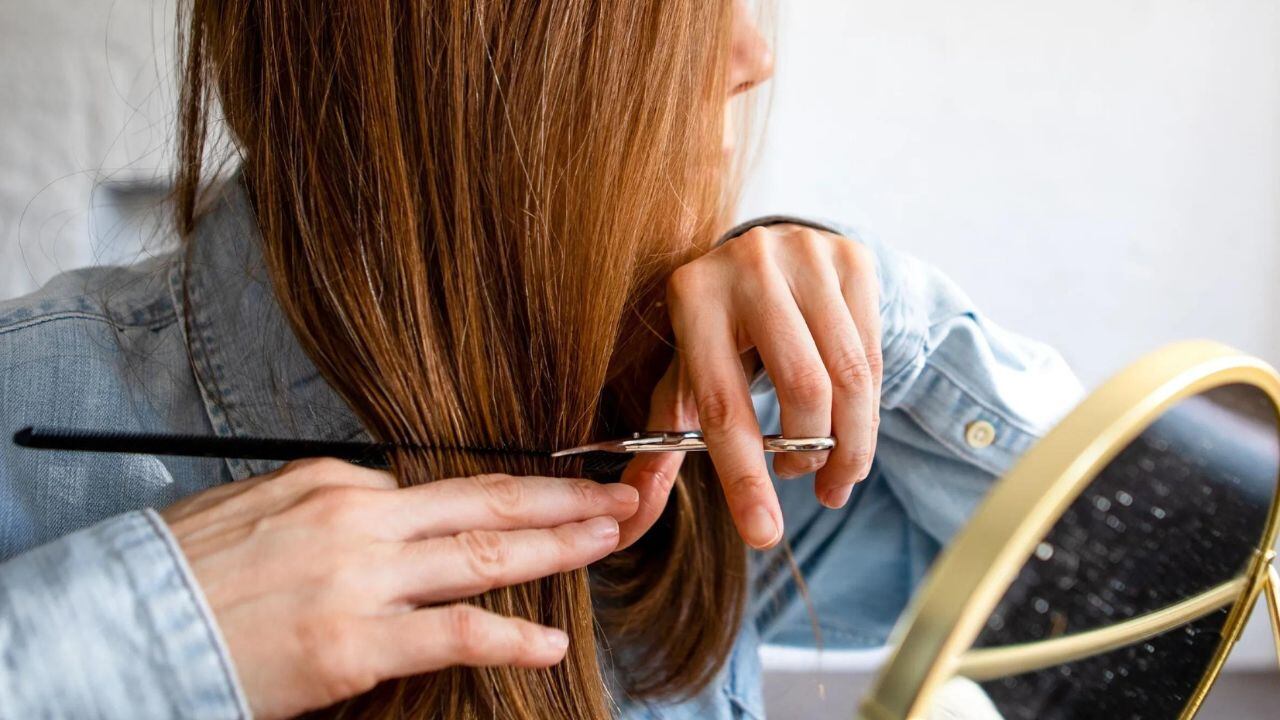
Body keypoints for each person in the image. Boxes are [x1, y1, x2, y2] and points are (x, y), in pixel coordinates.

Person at [0, 1, 1083, 718]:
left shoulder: (682, 409)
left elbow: (1113, 589)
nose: (751, 56)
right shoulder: (27, 419)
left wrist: (881, 331)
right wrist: (136, 642)